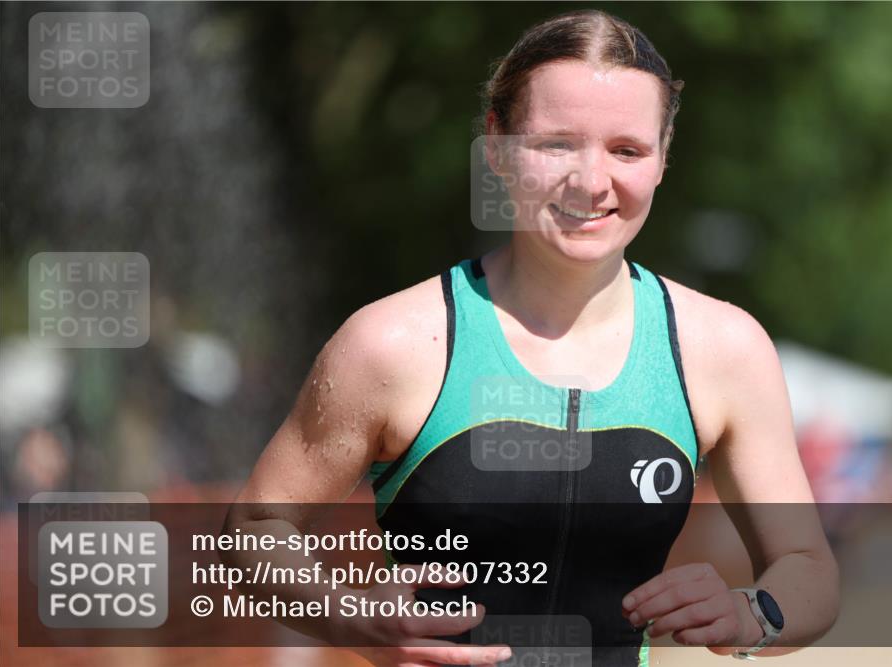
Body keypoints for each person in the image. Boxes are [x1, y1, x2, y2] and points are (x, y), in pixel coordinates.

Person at [225, 9, 839, 666]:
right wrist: (350, 617)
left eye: (626, 149)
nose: (591, 180)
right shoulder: (394, 343)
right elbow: (254, 532)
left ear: (662, 159)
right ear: (496, 148)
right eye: (556, 144)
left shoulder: (724, 349)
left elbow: (808, 568)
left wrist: (754, 612)